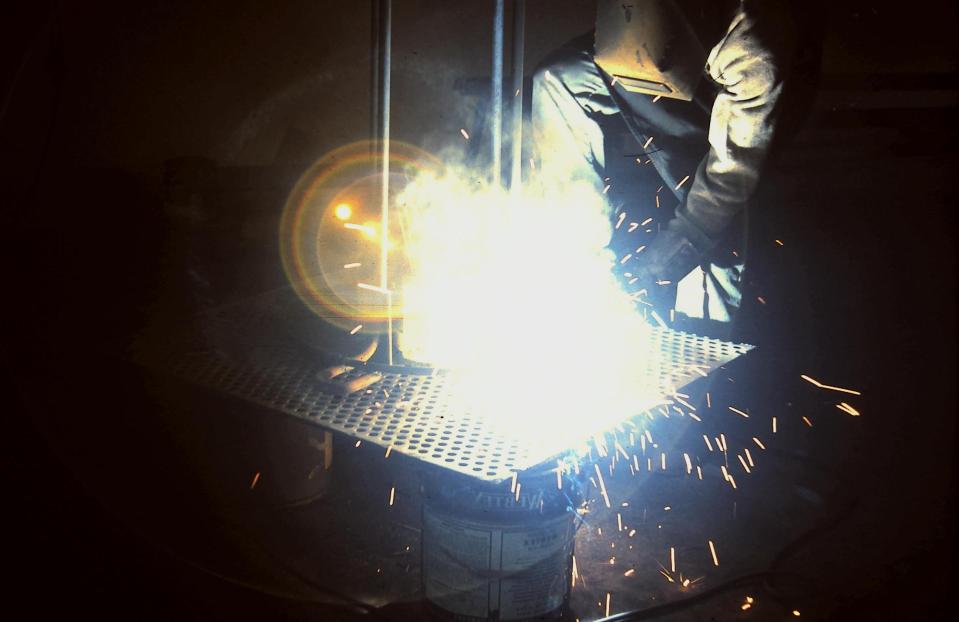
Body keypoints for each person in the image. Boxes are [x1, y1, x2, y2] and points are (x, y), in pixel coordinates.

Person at [531, 0, 820, 334]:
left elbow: (728, 176)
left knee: (709, 209)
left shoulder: (753, 47)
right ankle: (580, 268)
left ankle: (702, 336)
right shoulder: (649, 19)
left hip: (748, 103)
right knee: (559, 78)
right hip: (678, 54)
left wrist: (675, 253)